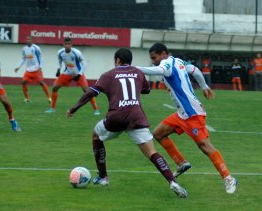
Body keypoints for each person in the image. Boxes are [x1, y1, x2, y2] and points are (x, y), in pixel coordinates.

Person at [67, 48, 187, 198]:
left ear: (117, 60)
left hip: (116, 116)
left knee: (96, 136)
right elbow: (146, 90)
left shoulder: (108, 74)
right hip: (136, 117)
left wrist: (73, 108)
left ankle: (103, 177)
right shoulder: (138, 72)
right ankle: (172, 181)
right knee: (151, 152)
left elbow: (91, 92)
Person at [136, 43, 237, 194]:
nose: (153, 61)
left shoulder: (167, 62)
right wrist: (204, 86)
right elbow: (195, 71)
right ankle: (181, 163)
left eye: (154, 58)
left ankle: (228, 177)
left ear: (163, 53)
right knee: (158, 134)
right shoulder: (179, 61)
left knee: (205, 146)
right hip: (181, 114)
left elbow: (160, 70)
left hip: (192, 113)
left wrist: (134, 69)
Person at [45, 37, 100, 115]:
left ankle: (96, 110)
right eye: (66, 44)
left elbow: (84, 64)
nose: (67, 45)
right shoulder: (60, 52)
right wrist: (58, 69)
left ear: (71, 44)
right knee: (54, 87)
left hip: (78, 73)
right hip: (67, 73)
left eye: (69, 44)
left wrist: (79, 75)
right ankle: (52, 108)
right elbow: (59, 62)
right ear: (63, 44)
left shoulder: (77, 53)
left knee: (87, 91)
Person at [14, 35, 51, 103]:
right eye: (27, 39)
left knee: (41, 83)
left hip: (36, 69)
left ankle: (49, 98)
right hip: (28, 70)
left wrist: (40, 67)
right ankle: (27, 99)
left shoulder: (36, 48)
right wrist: (18, 67)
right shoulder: (24, 49)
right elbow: (24, 58)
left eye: (29, 39)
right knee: (23, 82)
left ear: (32, 40)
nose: (28, 40)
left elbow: (41, 57)